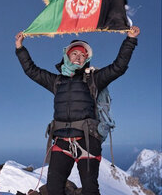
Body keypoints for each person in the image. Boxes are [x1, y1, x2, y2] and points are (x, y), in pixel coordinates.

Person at [15, 26, 140, 195]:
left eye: (83, 55)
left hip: (87, 140)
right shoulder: (56, 81)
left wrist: (130, 40)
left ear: (86, 60)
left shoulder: (94, 80)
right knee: (53, 189)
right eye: (75, 53)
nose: (79, 57)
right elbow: (32, 71)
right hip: (61, 141)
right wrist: (20, 48)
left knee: (90, 190)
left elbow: (118, 67)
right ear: (66, 55)